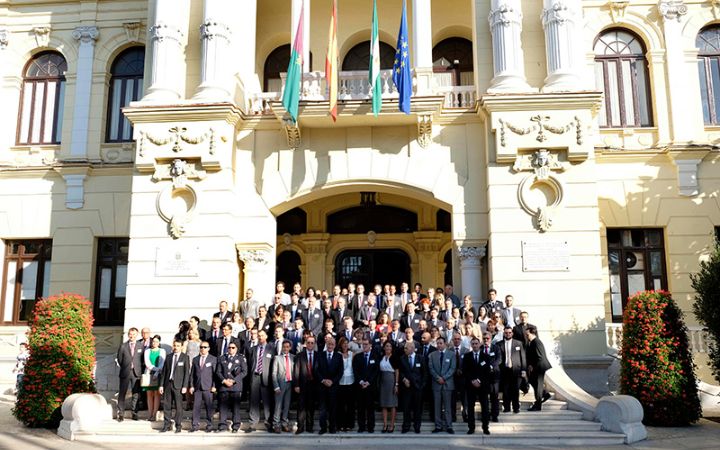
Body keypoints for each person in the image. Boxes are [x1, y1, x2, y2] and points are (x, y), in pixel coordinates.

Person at [215, 339, 248, 432]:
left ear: (236, 349)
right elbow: (218, 371)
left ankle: (236, 426)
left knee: (235, 407)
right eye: (229, 347)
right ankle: (222, 425)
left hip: (235, 386)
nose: (230, 349)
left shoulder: (241, 358)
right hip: (224, 386)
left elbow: (244, 371)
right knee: (223, 407)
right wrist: (224, 380)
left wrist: (234, 380)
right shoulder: (222, 358)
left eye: (233, 348)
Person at [247, 329, 275, 432]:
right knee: (254, 401)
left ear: (266, 336)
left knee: (267, 402)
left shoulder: (272, 348)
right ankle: (253, 423)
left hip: (266, 377)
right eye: (259, 336)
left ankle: (268, 423)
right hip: (255, 377)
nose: (260, 337)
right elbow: (250, 363)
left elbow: (273, 364)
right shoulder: (253, 349)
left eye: (262, 336)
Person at [159, 339, 190, 433]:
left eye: (178, 346)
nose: (176, 347)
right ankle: (167, 425)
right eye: (174, 345)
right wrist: (161, 385)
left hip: (179, 385)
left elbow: (186, 373)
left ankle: (178, 425)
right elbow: (164, 372)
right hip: (168, 384)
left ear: (181, 347)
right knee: (167, 406)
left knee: (178, 406)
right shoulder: (168, 357)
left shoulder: (185, 357)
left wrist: (185, 386)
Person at [463, 336, 492, 435]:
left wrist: (479, 380)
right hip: (470, 386)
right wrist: (472, 380)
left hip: (482, 386)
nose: (475, 345)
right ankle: (471, 427)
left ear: (479, 345)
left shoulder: (486, 357)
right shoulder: (467, 356)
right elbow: (465, 371)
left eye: (476, 343)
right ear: (471, 345)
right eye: (473, 344)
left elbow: (487, 372)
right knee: (470, 407)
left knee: (485, 407)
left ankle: (485, 427)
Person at [428, 336, 456, 434]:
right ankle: (438, 426)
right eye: (438, 343)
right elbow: (431, 368)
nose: (439, 345)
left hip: (447, 384)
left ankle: (449, 426)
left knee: (448, 406)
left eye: (441, 343)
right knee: (437, 406)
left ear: (445, 344)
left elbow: (452, 368)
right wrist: (438, 378)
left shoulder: (452, 354)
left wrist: (443, 378)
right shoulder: (432, 355)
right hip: (436, 384)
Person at [293, 335, 319, 434]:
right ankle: (300, 427)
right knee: (301, 407)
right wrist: (296, 385)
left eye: (312, 343)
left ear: (314, 344)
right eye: (308, 342)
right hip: (302, 385)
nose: (310, 344)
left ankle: (309, 427)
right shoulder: (300, 355)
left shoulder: (318, 355)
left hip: (314, 385)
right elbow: (296, 371)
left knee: (311, 407)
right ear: (305, 343)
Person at [116, 327, 143, 421]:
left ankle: (134, 413)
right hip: (125, 372)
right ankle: (121, 413)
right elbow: (119, 359)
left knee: (136, 393)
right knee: (122, 393)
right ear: (128, 335)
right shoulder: (123, 346)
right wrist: (126, 366)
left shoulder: (140, 345)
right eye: (130, 334)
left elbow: (142, 359)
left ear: (137, 335)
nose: (132, 336)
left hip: (136, 373)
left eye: (134, 334)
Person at [351, 338, 378, 433]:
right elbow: (355, 371)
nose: (365, 346)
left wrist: (368, 382)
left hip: (370, 387)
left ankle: (371, 427)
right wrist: (361, 381)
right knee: (361, 408)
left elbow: (376, 371)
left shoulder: (375, 356)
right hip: (360, 387)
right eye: (363, 344)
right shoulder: (358, 357)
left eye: (366, 344)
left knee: (370, 408)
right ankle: (361, 426)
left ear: (370, 345)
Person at [399, 341, 426, 434]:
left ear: (412, 348)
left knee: (417, 408)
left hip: (418, 388)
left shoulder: (421, 358)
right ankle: (406, 426)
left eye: (406, 348)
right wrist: (404, 379)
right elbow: (401, 372)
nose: (404, 349)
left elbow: (425, 373)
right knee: (406, 408)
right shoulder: (402, 358)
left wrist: (422, 386)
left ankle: (417, 426)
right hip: (407, 388)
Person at [317, 336, 343, 434]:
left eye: (332, 344)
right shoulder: (320, 355)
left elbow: (340, 372)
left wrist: (332, 381)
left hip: (333, 386)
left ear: (335, 345)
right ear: (326, 344)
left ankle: (332, 427)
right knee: (322, 409)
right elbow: (317, 370)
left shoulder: (338, 356)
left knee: (333, 408)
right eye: (328, 344)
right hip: (322, 386)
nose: (330, 346)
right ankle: (323, 428)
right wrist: (323, 380)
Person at [190, 341, 217, 432]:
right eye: (201, 347)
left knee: (209, 407)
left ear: (208, 348)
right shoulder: (195, 359)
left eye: (205, 347)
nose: (203, 349)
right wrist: (191, 385)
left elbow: (215, 374)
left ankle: (209, 425)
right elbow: (192, 374)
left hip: (208, 387)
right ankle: (195, 425)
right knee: (196, 407)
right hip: (197, 387)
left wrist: (214, 385)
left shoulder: (213, 359)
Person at [499, 325, 526, 414]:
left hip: (516, 370)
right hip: (505, 370)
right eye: (506, 333)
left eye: (509, 332)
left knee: (515, 390)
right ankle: (506, 407)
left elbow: (523, 357)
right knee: (506, 390)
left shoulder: (518, 343)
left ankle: (516, 408)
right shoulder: (499, 344)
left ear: (512, 333)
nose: (508, 334)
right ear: (504, 333)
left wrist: (523, 370)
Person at [526, 325, 552, 411]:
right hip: (537, 366)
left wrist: (533, 367)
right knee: (532, 381)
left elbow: (540, 357)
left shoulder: (536, 342)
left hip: (539, 367)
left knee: (538, 386)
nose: (526, 335)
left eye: (527, 334)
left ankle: (538, 405)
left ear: (532, 333)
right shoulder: (532, 342)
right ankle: (545, 394)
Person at [271, 340, 295, 433]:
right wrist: (276, 386)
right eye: (284, 347)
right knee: (278, 405)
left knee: (286, 405)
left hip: (290, 383)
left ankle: (284, 423)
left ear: (290, 348)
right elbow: (273, 373)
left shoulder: (293, 357)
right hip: (280, 384)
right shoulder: (277, 358)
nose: (285, 348)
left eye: (287, 347)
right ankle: (276, 424)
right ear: (282, 347)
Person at [375, 340, 398, 433]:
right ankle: (385, 424)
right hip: (383, 381)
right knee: (383, 404)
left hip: (391, 381)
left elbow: (397, 371)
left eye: (390, 346)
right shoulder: (381, 357)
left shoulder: (394, 357)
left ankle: (392, 425)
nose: (388, 348)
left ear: (392, 348)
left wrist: (396, 384)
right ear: (384, 348)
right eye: (386, 346)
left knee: (392, 404)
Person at [143, 335, 166, 421]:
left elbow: (162, 363)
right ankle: (149, 413)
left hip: (159, 374)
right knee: (149, 394)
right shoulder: (147, 351)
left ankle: (154, 414)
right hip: (148, 374)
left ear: (159, 342)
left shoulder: (162, 351)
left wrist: (157, 372)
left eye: (156, 341)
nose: (154, 343)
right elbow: (147, 363)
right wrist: (155, 369)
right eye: (153, 341)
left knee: (157, 394)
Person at [336, 336, 356, 432]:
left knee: (350, 405)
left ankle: (349, 424)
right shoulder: (337, 354)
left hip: (351, 382)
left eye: (346, 343)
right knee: (340, 405)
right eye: (343, 343)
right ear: (340, 344)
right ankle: (340, 424)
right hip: (340, 382)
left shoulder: (352, 354)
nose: (345, 345)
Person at [450, 332, 470, 422]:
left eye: (458, 339)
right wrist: (454, 371)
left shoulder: (466, 350)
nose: (457, 340)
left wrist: (462, 370)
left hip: (463, 379)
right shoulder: (449, 351)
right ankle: (453, 417)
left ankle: (465, 416)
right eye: (455, 339)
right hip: (452, 379)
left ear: (461, 340)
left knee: (464, 399)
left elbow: (469, 365)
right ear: (452, 340)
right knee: (452, 399)